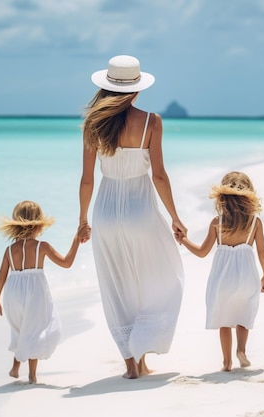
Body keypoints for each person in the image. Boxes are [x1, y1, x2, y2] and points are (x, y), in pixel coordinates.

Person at [79, 55, 186, 379]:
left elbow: (87, 179)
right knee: (160, 276)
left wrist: (83, 219)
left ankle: (131, 363)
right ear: (136, 90)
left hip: (106, 212)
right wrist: (175, 217)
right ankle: (143, 345)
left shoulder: (93, 125)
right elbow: (160, 176)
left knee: (116, 286)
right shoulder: (152, 121)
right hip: (141, 210)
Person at [175, 171, 264, 371]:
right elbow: (263, 252)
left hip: (222, 281)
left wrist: (182, 240)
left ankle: (226, 362)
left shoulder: (217, 223)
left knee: (224, 321)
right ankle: (241, 350)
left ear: (223, 197)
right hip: (247, 278)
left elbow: (202, 252)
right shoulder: (254, 223)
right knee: (243, 316)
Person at [0, 200, 88, 383]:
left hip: (12, 294)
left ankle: (15, 367)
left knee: (21, 329)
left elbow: (0, 278)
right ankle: (32, 375)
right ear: (38, 224)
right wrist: (76, 239)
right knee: (33, 330)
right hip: (34, 292)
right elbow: (67, 263)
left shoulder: (10, 250)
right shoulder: (41, 247)